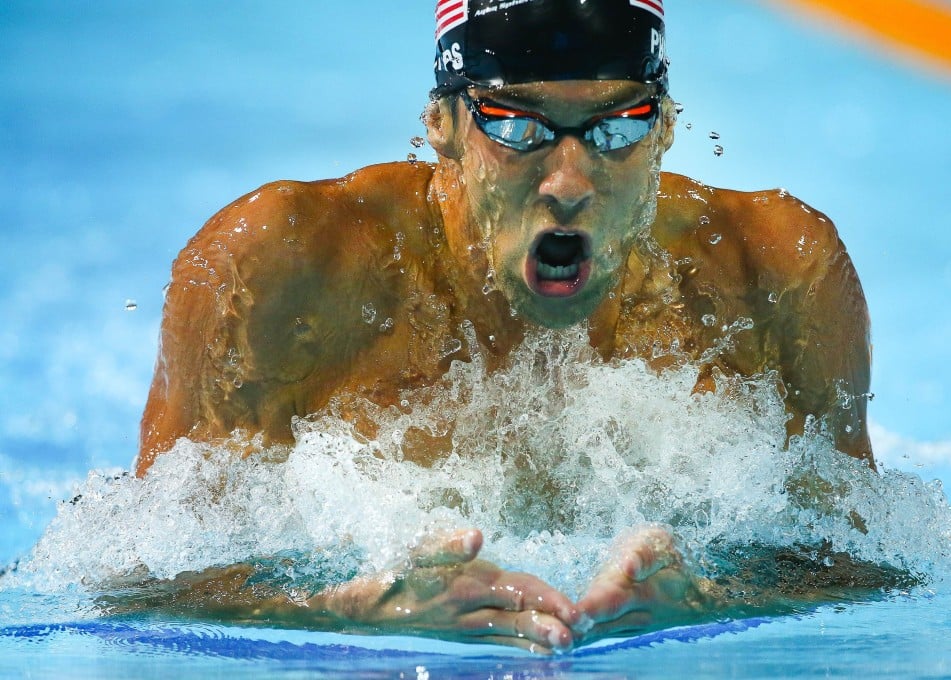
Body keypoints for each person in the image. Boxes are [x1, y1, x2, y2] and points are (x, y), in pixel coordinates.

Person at [133, 0, 874, 653]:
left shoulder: (776, 273)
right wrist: (339, 611)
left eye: (618, 127)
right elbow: (135, 583)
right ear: (442, 124)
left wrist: (717, 600)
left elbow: (872, 564)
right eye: (519, 126)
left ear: (667, 127)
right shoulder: (281, 272)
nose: (569, 182)